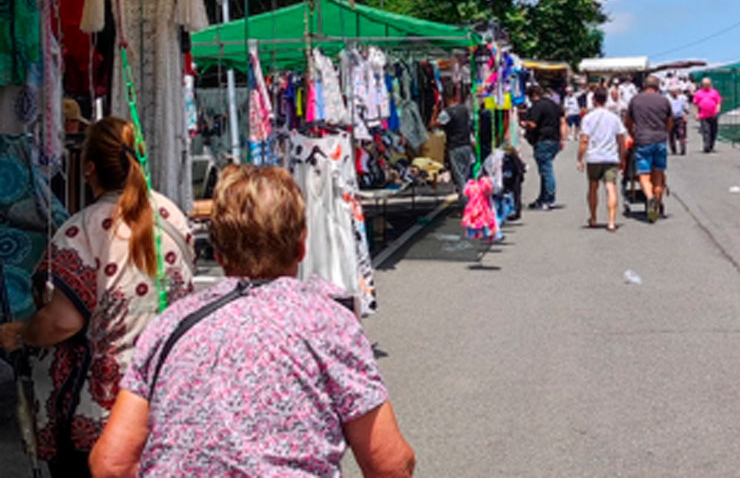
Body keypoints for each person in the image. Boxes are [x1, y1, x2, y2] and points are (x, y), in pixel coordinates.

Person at [89, 165, 416, 478]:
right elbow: (390, 464)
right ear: (301, 245)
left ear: (217, 253)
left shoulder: (169, 325)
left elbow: (111, 464)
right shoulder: (328, 323)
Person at [0, 117, 195, 476]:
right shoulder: (171, 215)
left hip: (105, 411)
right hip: (171, 395)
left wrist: (23, 332)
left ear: (89, 169)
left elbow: (61, 322)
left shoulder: (82, 229)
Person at [577, 88, 627, 232]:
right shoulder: (614, 117)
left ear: (593, 100)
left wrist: (580, 158)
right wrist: (622, 156)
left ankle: (593, 217)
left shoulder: (588, 118)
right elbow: (621, 139)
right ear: (606, 99)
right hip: (611, 157)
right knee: (610, 186)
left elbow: (584, 140)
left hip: (593, 157)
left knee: (593, 187)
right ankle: (611, 221)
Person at [626, 75, 673, 223]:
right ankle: (656, 206)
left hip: (643, 139)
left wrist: (632, 133)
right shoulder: (664, 100)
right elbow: (670, 121)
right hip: (659, 140)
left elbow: (628, 120)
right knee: (658, 174)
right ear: (657, 86)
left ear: (644, 86)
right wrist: (665, 132)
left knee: (644, 175)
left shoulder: (635, 100)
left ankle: (650, 198)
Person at [521, 85, 566, 210]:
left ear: (532, 95)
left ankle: (549, 198)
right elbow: (563, 121)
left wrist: (524, 124)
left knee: (546, 170)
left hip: (543, 139)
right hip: (554, 139)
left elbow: (533, 124)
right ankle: (542, 197)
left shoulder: (537, 106)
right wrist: (563, 138)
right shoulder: (554, 105)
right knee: (544, 170)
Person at [436, 91, 476, 195]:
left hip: (455, 147)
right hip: (466, 146)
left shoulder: (447, 112)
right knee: (467, 176)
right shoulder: (464, 110)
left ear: (446, 98)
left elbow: (433, 124)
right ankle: (471, 200)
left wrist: (435, 111)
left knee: (460, 178)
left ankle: (467, 205)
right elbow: (470, 127)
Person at [694, 77, 723, 153]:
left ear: (710, 84)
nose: (706, 85)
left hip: (713, 114)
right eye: (704, 84)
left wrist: (718, 110)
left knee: (713, 131)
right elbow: (696, 104)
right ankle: (706, 146)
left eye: (707, 84)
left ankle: (711, 145)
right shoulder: (699, 93)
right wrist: (696, 114)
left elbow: (718, 101)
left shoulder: (714, 92)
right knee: (706, 131)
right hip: (703, 115)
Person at [667, 85, 689, 156]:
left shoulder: (682, 98)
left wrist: (686, 115)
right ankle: (673, 149)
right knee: (671, 134)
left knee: (681, 133)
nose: (675, 93)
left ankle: (683, 149)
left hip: (680, 117)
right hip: (670, 118)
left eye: (676, 91)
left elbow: (685, 107)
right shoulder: (667, 98)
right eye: (673, 92)